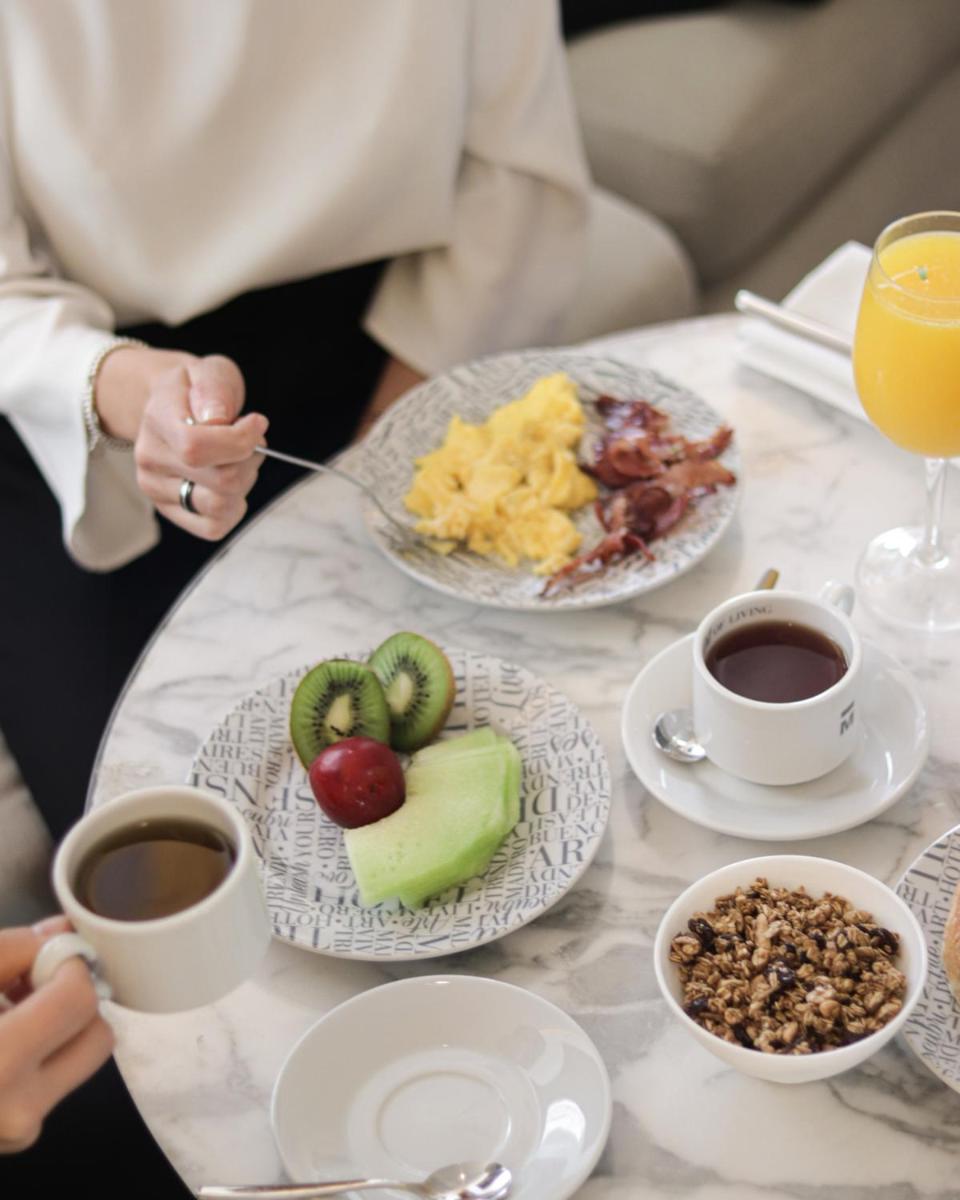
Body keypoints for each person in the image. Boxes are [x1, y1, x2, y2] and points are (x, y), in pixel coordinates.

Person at [0, 1, 589, 1193]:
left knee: (527, 896)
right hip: (81, 420)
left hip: (392, 351)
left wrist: (403, 428)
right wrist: (121, 390)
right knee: (204, 972)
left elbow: (514, 177)